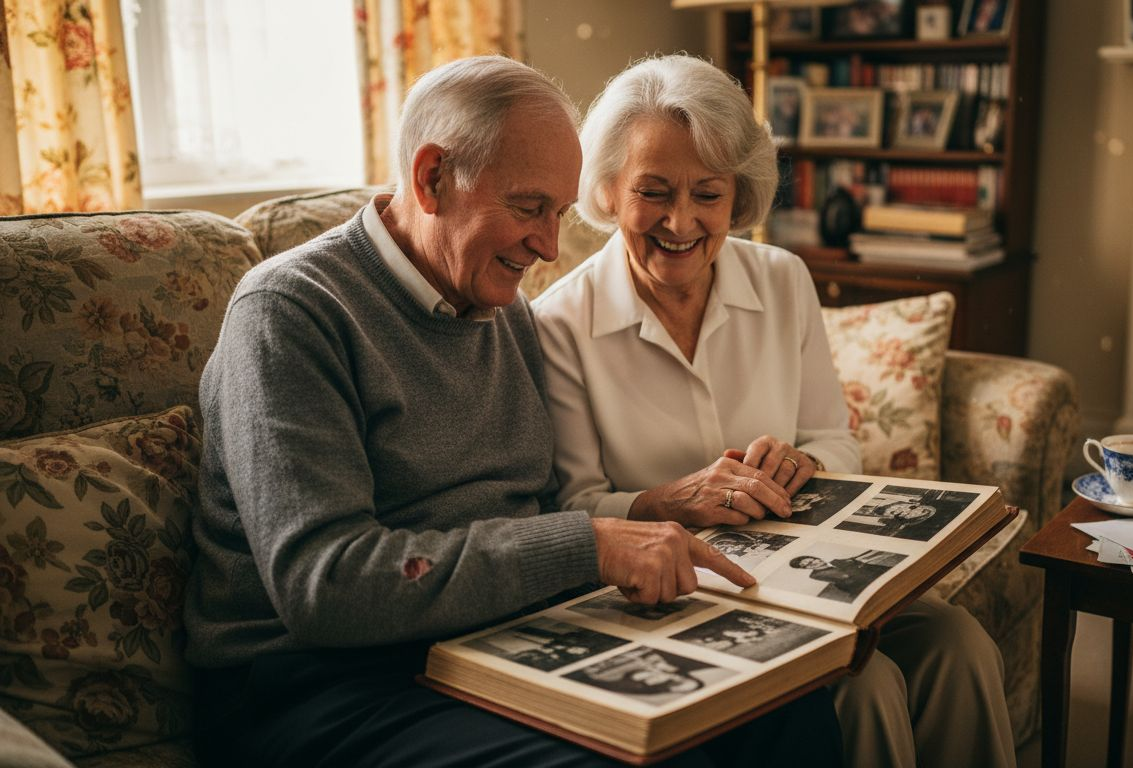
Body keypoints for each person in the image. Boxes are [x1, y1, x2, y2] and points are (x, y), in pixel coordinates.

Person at [183, 55, 841, 768]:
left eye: (558, 214)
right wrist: (589, 546)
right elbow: (328, 584)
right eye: (529, 208)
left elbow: (546, 506)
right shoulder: (292, 312)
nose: (550, 247)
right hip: (319, 684)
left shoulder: (506, 314)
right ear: (433, 178)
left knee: (780, 699)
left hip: (498, 645)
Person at [534, 54, 1016, 768]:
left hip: (813, 570)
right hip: (676, 592)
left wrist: (807, 461)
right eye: (654, 191)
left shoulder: (784, 279)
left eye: (708, 193)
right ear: (606, 189)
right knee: (866, 685)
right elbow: (575, 507)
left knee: (960, 644)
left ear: (739, 195)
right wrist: (673, 500)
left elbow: (836, 442)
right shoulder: (558, 324)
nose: (681, 221)